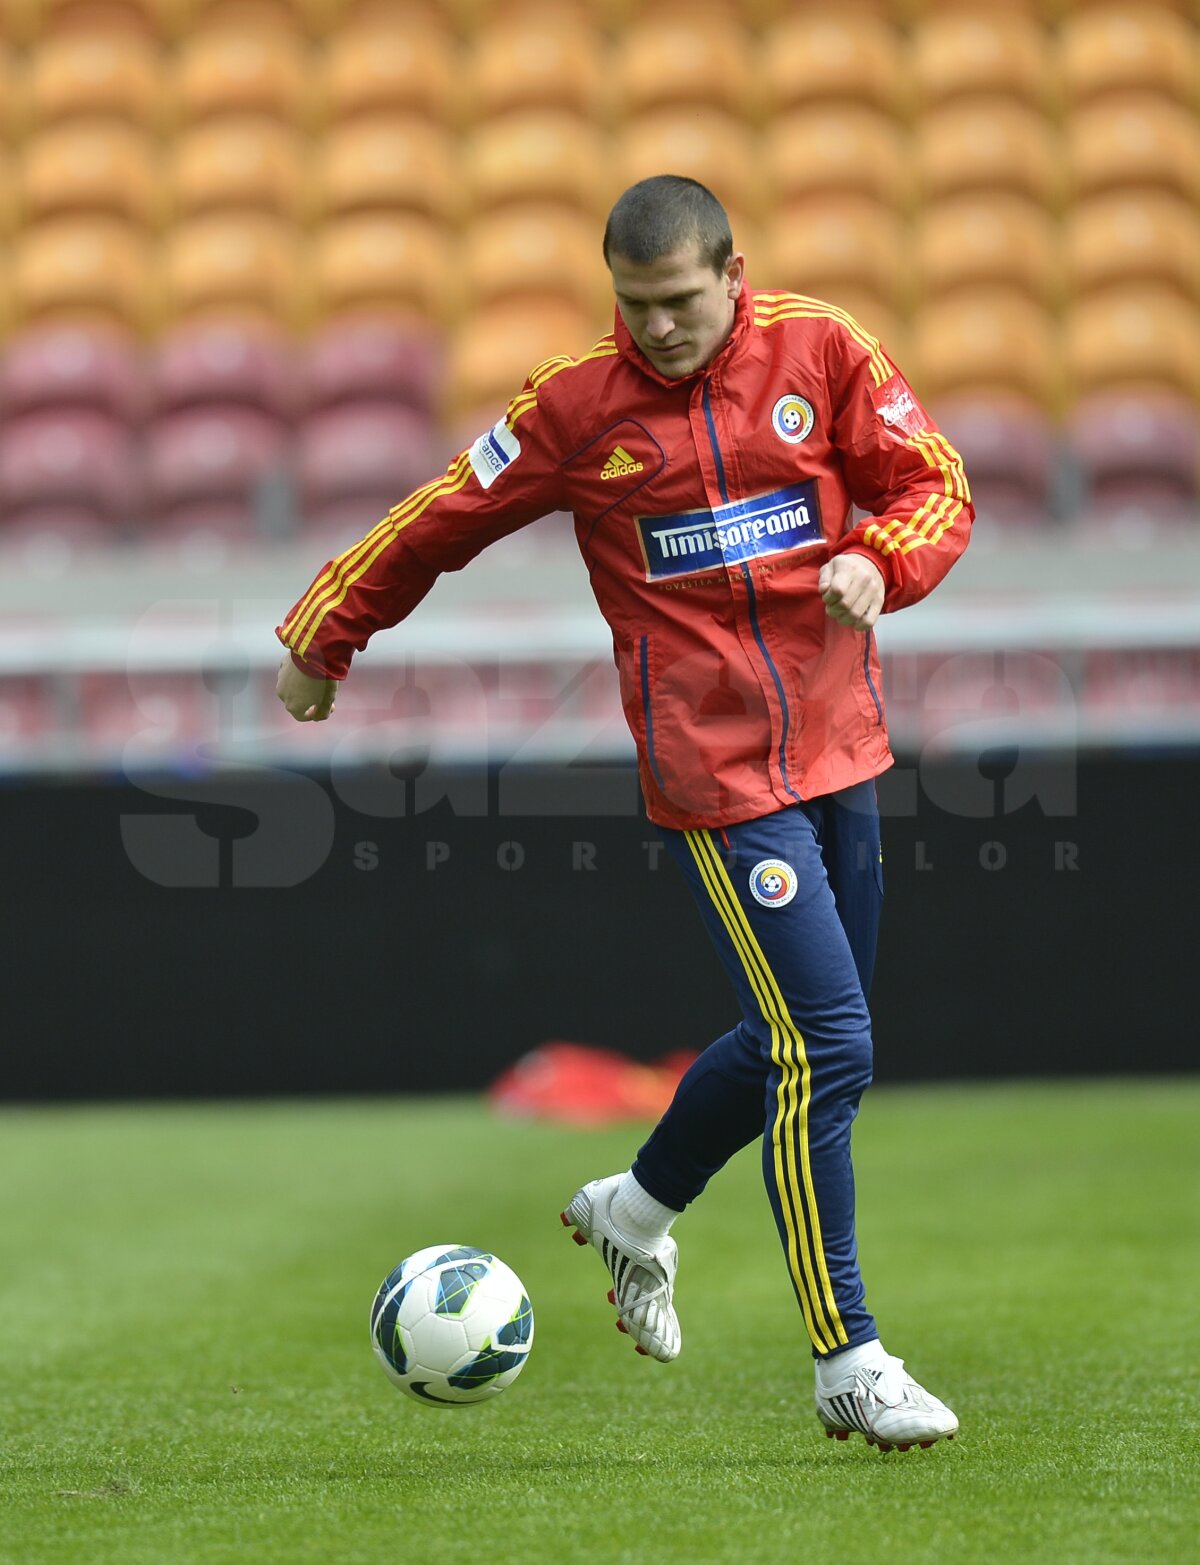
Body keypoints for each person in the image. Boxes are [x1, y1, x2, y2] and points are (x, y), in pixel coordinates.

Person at [276, 175, 973, 1451]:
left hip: (841, 747)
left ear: (731, 274)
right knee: (832, 1046)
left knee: (791, 1042)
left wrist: (883, 557)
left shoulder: (823, 349)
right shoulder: (572, 406)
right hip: (717, 776)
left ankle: (635, 1208)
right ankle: (847, 1358)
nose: (655, 329)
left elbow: (936, 482)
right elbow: (441, 519)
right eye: (634, 306)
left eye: (679, 302)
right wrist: (326, 633)